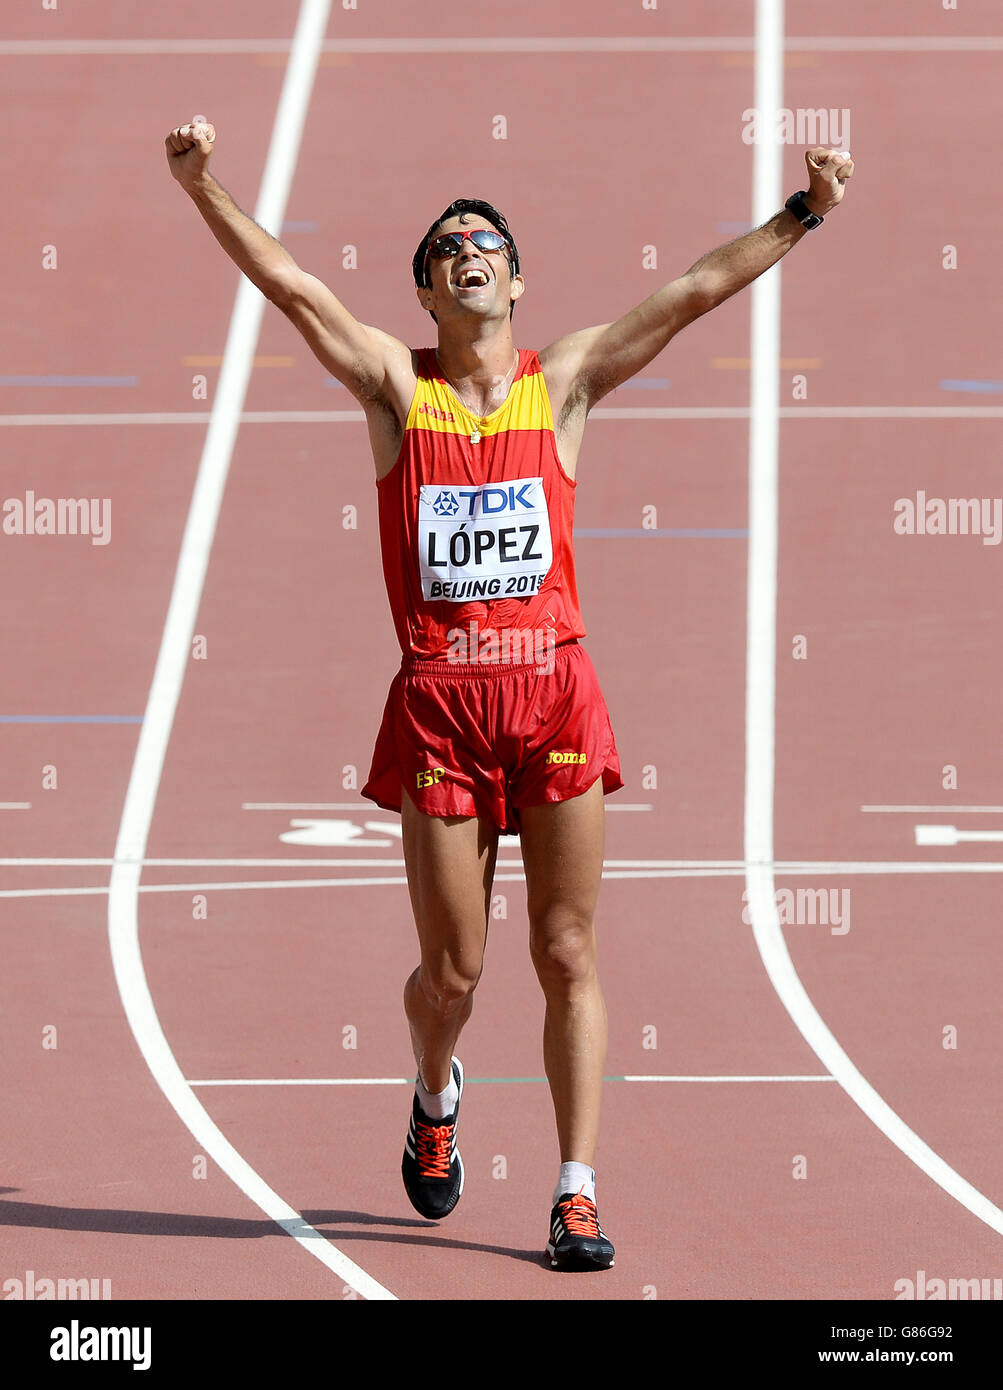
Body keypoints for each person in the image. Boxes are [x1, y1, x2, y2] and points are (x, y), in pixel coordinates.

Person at [165, 118, 853, 1271]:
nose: (467, 250)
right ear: (426, 293)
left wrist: (803, 213)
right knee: (453, 974)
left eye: (485, 241)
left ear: (517, 281)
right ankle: (434, 1090)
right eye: (446, 246)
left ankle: (575, 1190)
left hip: (553, 698)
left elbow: (689, 294)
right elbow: (291, 287)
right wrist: (202, 185)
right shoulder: (395, 385)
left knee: (567, 949)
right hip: (441, 706)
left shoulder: (565, 379)